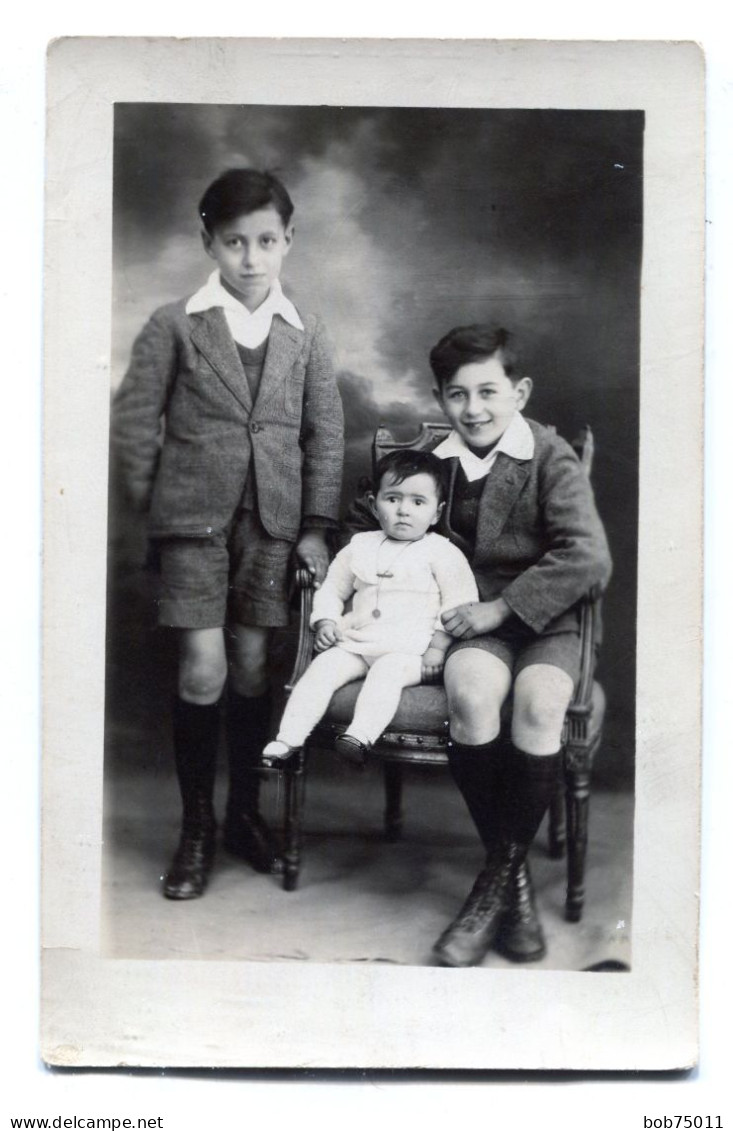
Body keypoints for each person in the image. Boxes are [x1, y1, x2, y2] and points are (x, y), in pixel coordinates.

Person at [111, 168, 344, 900]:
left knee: (249, 664)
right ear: (208, 240)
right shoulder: (174, 324)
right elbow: (132, 425)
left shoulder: (305, 335)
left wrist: (313, 527)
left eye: (266, 241)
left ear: (287, 243)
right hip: (192, 526)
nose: (251, 257)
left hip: (272, 529)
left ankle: (243, 813)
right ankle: (197, 828)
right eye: (234, 241)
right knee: (203, 668)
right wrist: (156, 512)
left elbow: (326, 436)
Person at [347, 324, 611, 966]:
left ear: (518, 392)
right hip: (466, 615)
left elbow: (588, 556)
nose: (475, 409)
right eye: (458, 396)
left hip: (548, 616)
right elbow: (374, 516)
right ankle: (511, 882)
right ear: (442, 401)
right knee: (470, 696)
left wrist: (504, 608)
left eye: (489, 392)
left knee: (542, 704)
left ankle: (492, 885)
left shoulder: (550, 456)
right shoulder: (436, 463)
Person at [262, 450, 478, 767]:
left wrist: (438, 646)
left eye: (418, 502)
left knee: (386, 674)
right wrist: (326, 622)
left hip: (411, 652)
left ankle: (360, 736)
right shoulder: (360, 546)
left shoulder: (442, 552)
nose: (404, 511)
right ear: (375, 504)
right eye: (393, 499)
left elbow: (460, 601)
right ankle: (287, 741)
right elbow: (333, 588)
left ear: (436, 512)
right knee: (320, 671)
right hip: (358, 642)